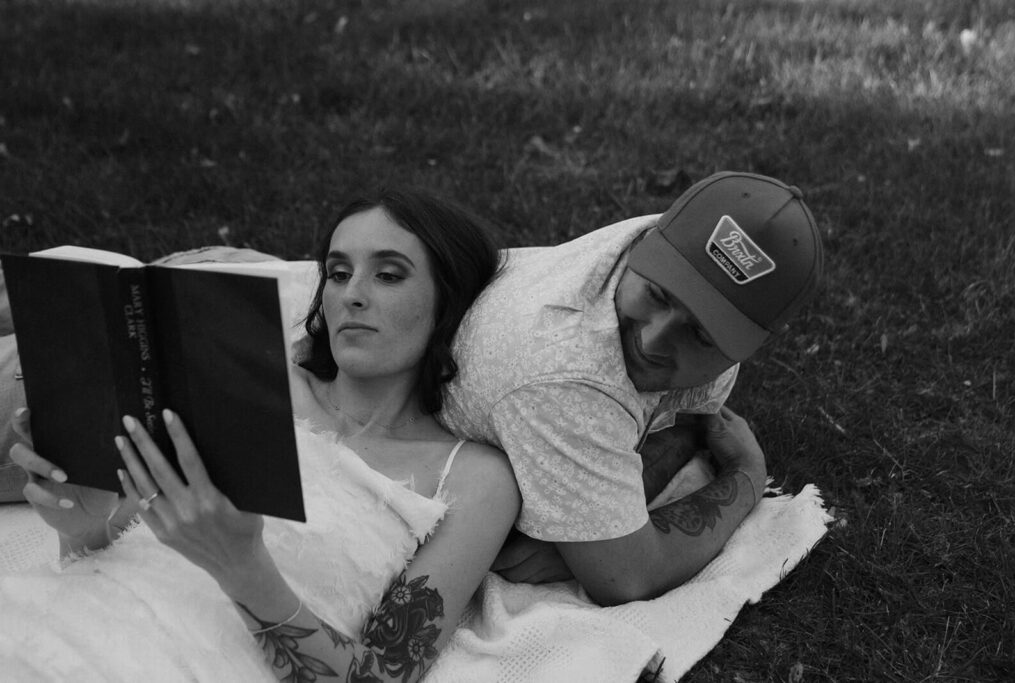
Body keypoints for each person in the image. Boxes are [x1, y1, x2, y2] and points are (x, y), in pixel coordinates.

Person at [0, 187, 519, 682]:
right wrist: (85, 527)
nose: (351, 296)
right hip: (62, 614)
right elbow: (129, 554)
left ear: (447, 300)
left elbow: (380, 676)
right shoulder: (248, 378)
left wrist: (241, 567)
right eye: (337, 274)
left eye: (388, 275)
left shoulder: (474, 477)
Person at [439, 171, 824, 606]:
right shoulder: (565, 379)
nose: (653, 341)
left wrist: (589, 534)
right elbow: (627, 578)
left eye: (701, 334)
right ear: (649, 247)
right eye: (659, 296)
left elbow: (681, 426)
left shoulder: (666, 251)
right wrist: (747, 476)